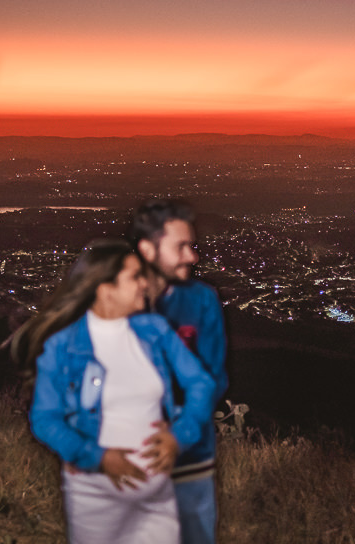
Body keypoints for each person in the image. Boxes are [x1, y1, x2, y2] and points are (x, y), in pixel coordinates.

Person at [11, 239, 214, 544]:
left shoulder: (155, 331)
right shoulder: (62, 347)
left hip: (156, 493)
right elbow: (44, 418)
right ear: (105, 289)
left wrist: (179, 434)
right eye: (135, 277)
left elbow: (201, 384)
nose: (145, 283)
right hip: (95, 494)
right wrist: (97, 457)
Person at [130, 200, 228, 544]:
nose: (192, 257)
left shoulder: (203, 300)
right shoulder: (117, 301)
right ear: (148, 249)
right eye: (181, 247)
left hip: (191, 455)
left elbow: (212, 378)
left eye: (193, 246)